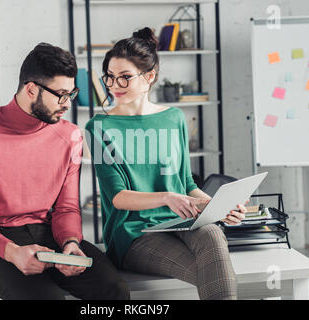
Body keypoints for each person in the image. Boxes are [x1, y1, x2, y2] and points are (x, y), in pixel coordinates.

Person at [0, 43, 129, 300]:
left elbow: (67, 208)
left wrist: (70, 243)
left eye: (72, 93)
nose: (67, 104)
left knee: (115, 289)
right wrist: (12, 252)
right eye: (61, 94)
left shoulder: (70, 136)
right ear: (31, 89)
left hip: (48, 234)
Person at [85, 28, 247, 300]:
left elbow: (186, 184)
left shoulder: (174, 118)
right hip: (134, 234)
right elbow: (118, 198)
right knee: (211, 270)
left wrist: (217, 207)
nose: (114, 86)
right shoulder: (100, 127)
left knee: (212, 233)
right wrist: (167, 198)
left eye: (125, 78)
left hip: (182, 221)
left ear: (149, 77)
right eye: (110, 77)